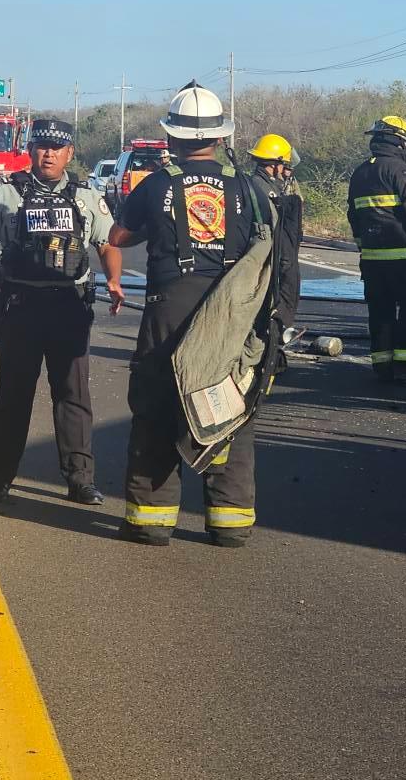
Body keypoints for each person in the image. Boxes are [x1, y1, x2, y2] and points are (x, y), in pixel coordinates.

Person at [109, 80, 273, 548]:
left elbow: (119, 237)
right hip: (231, 315)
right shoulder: (249, 188)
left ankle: (150, 521)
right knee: (227, 407)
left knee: (159, 407)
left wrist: (161, 230)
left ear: (172, 138)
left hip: (169, 310)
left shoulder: (156, 184)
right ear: (221, 138)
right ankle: (230, 522)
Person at [0, 119, 125, 505]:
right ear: (31, 150)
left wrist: (114, 280)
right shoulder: (5, 193)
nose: (49, 154)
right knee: (12, 396)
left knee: (73, 396)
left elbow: (107, 243)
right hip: (20, 307)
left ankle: (80, 480)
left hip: (68, 308)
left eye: (57, 148)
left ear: (70, 153)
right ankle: (0, 478)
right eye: (41, 146)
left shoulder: (87, 196)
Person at [347, 116, 406, 385]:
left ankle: (383, 368)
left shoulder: (361, 172)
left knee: (380, 313)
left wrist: (365, 248)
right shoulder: (400, 171)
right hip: (405, 261)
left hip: (373, 262)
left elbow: (354, 216)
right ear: (399, 141)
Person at [248, 133, 303, 331]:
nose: (286, 169)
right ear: (274, 164)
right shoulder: (262, 187)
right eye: (284, 164)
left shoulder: (267, 184)